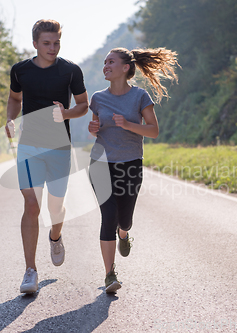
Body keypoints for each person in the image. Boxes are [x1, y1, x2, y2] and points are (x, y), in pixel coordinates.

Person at [5, 19, 88, 294]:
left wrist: (65, 113)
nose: (52, 48)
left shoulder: (70, 70)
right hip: (29, 146)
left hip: (59, 147)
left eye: (56, 43)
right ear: (35, 44)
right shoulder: (20, 71)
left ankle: (55, 236)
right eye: (46, 43)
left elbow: (83, 105)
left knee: (55, 207)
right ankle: (30, 271)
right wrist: (9, 119)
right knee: (31, 205)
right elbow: (15, 98)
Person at [88, 47, 179, 293]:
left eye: (111, 61)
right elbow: (97, 128)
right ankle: (109, 274)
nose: (105, 65)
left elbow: (153, 130)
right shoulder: (97, 97)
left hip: (130, 163)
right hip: (101, 162)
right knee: (108, 215)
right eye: (104, 62)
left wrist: (128, 124)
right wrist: (93, 128)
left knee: (124, 218)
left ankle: (124, 233)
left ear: (125, 67)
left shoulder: (139, 96)